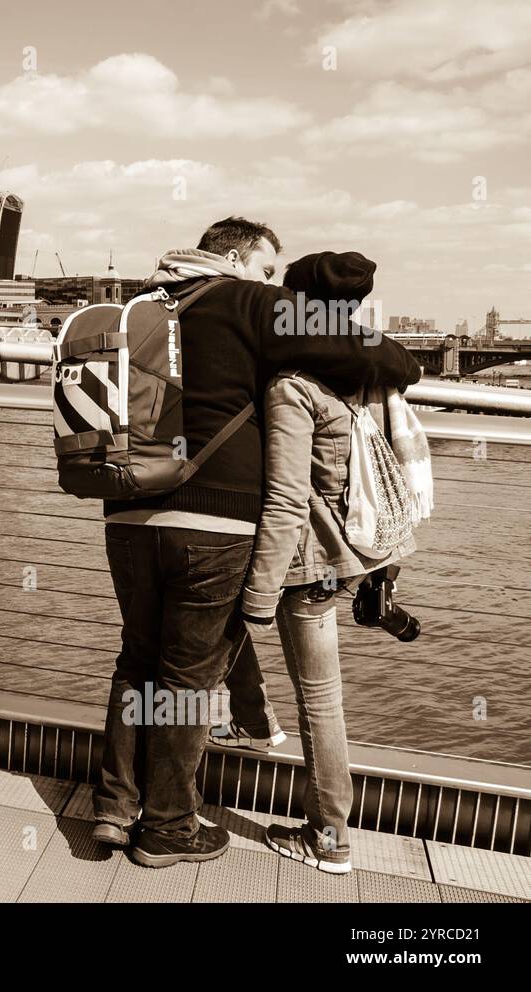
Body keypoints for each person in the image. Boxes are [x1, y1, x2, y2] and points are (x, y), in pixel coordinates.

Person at [90, 218, 421, 869]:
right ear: (238, 259)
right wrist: (403, 362)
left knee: (137, 660)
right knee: (187, 676)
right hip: (213, 522)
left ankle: (112, 807)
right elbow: (376, 355)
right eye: (270, 270)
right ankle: (167, 827)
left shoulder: (136, 305)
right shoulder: (247, 300)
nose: (276, 284)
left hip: (126, 516)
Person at [231, 250, 423, 874]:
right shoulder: (368, 372)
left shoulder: (293, 386)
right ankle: (252, 725)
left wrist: (258, 598)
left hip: (305, 563)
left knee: (316, 702)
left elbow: (286, 498)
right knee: (325, 698)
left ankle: (329, 837)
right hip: (346, 555)